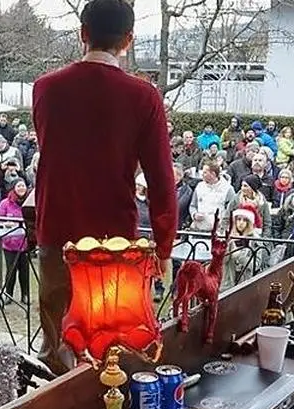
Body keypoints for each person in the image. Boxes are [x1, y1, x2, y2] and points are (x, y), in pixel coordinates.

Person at [32, 0, 176, 374]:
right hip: (114, 241)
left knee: (58, 342)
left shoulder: (45, 89)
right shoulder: (144, 97)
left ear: (83, 33)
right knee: (112, 341)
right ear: (128, 40)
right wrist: (163, 245)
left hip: (57, 232)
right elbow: (161, 178)